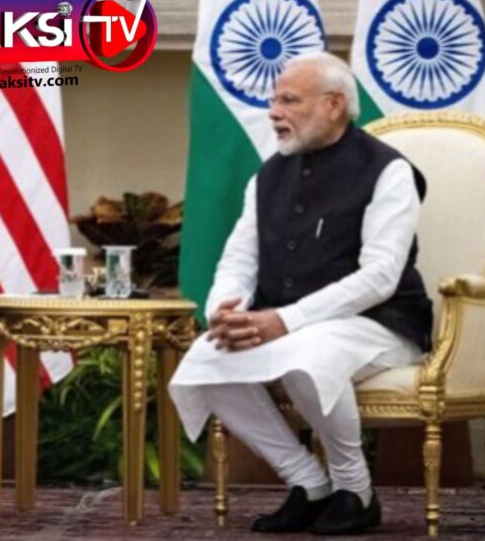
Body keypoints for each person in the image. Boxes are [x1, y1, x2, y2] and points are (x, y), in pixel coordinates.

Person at [169, 51, 433, 536]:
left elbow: (380, 277)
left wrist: (285, 320)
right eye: (274, 101)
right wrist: (226, 310)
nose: (274, 112)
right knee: (207, 358)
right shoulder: (268, 175)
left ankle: (356, 491)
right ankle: (309, 483)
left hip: (382, 324)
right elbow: (240, 258)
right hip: (294, 325)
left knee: (309, 355)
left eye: (289, 100)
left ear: (334, 105)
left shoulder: (388, 171)